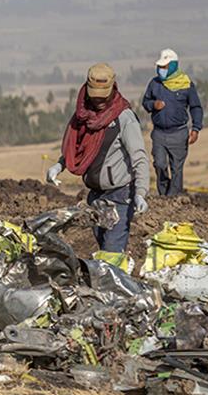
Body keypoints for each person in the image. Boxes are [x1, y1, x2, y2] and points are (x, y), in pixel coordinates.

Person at [46, 63, 149, 261]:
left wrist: (141, 193)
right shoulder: (83, 116)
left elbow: (139, 157)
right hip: (95, 197)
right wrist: (60, 165)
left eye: (104, 95)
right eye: (95, 95)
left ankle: (116, 289)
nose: (99, 101)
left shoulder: (124, 118)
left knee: (111, 254)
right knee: (103, 249)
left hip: (119, 195)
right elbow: (76, 148)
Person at [142, 49, 202, 196]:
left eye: (165, 67)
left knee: (177, 168)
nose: (161, 70)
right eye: (160, 67)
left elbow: (195, 107)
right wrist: (153, 105)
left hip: (179, 133)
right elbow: (145, 102)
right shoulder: (154, 83)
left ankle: (173, 198)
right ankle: (164, 194)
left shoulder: (186, 84)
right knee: (160, 164)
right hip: (159, 133)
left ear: (174, 66)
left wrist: (196, 128)